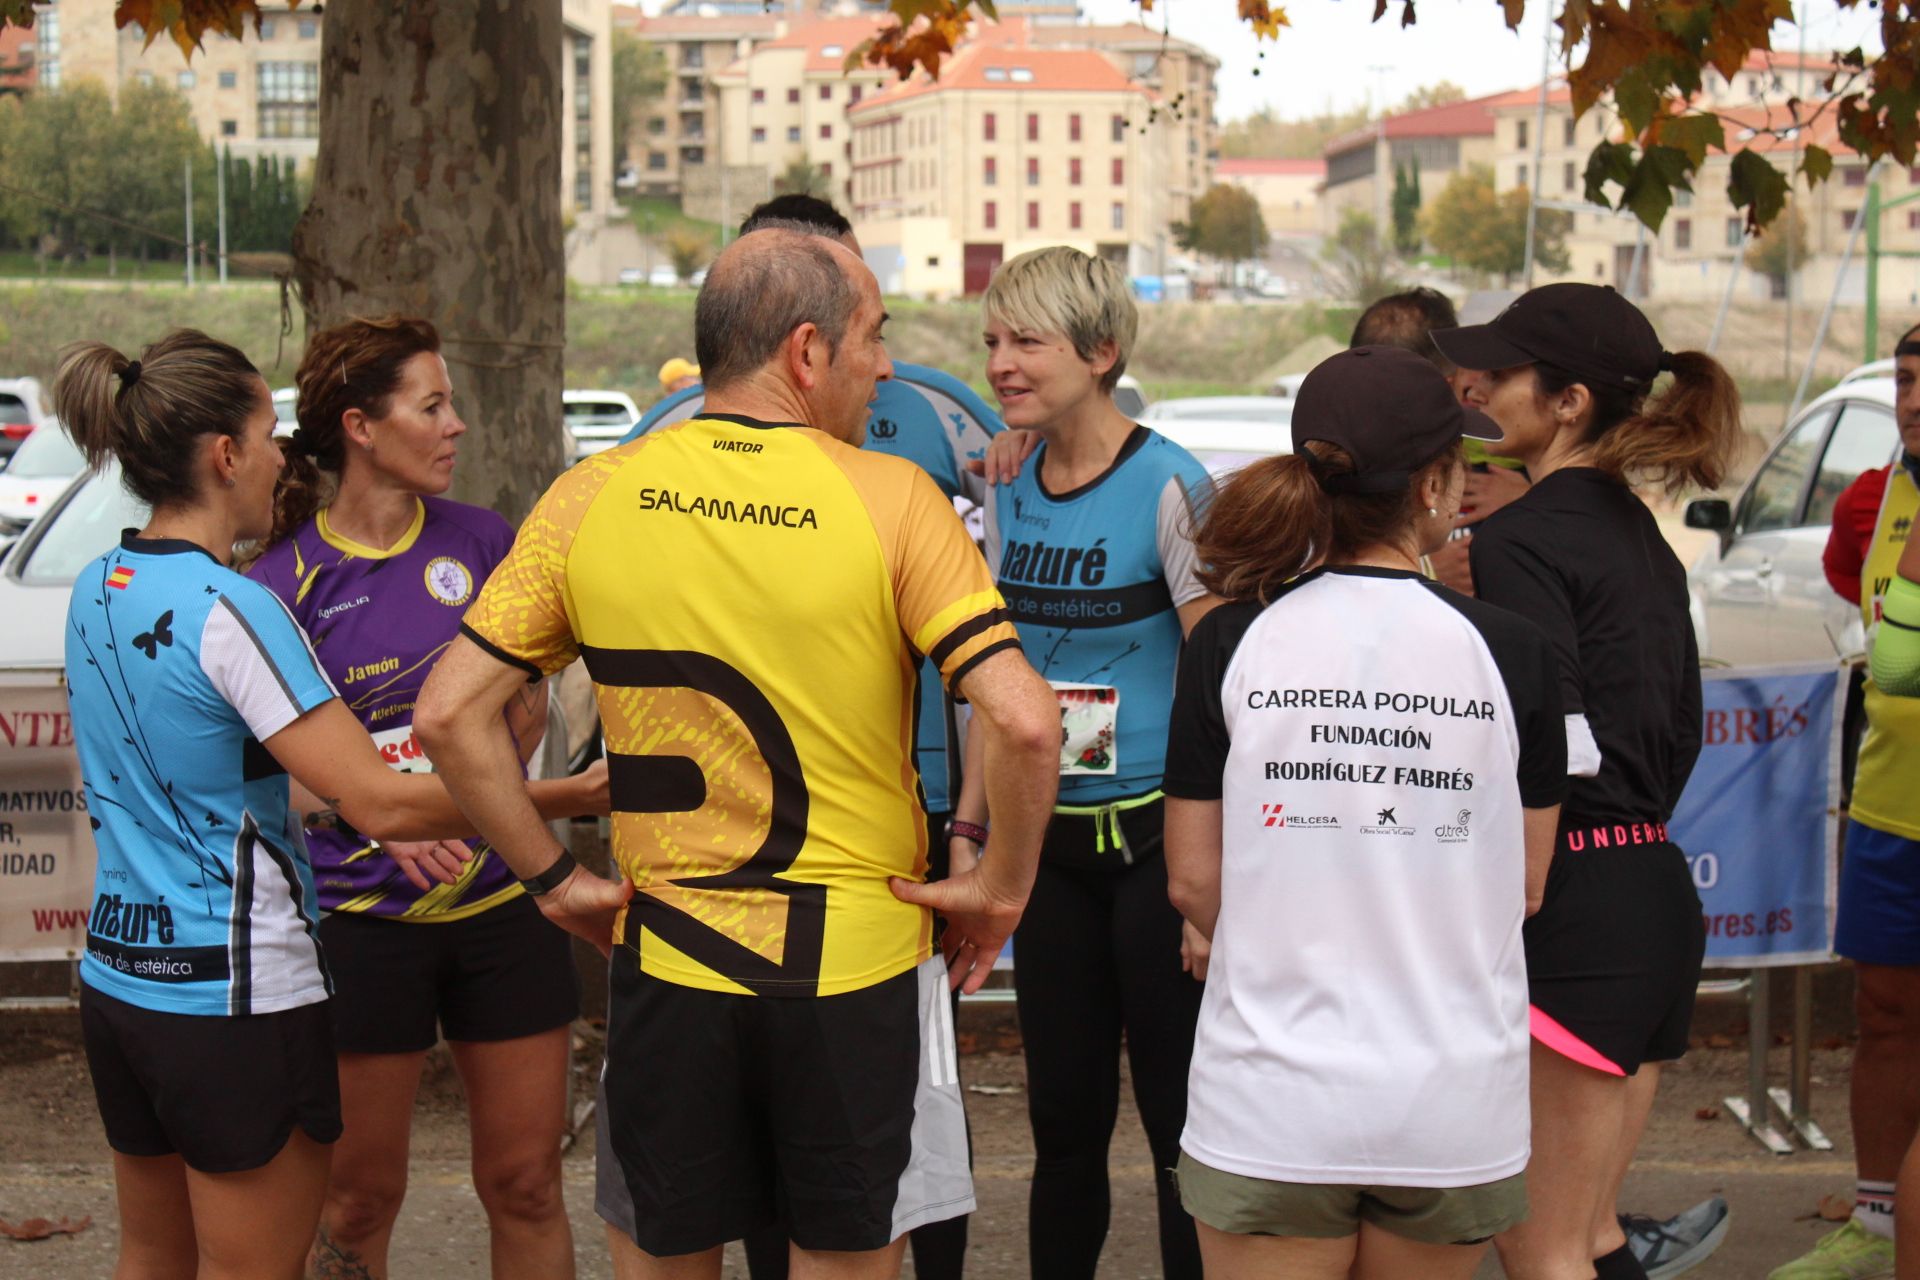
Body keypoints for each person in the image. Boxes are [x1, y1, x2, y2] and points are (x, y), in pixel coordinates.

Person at [412, 228, 1062, 1280]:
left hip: (670, 956)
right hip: (850, 967)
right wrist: (999, 888)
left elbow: (449, 715)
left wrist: (552, 877)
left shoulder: (592, 495)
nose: (885, 364)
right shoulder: (893, 498)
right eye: (873, 337)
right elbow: (1029, 723)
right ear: (807, 352)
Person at [56, 330, 607, 1280]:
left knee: (152, 1257)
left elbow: (256, 773)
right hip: (234, 990)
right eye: (269, 433)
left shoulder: (99, 585)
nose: (284, 454)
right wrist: (574, 799)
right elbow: (384, 809)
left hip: (122, 980)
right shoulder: (240, 604)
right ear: (225, 455)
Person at [620, 194, 1005, 1280]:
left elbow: (997, 683)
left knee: (907, 1165)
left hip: (889, 847)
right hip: (725, 870)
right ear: (795, 329)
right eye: (865, 328)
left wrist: (969, 830)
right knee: (760, 1191)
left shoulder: (933, 423)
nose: (878, 355)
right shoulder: (657, 445)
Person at [1162, 344, 1565, 1280]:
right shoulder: (1511, 650)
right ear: (1434, 484)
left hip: (1272, 1097)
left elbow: (1190, 878)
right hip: (1450, 1099)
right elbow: (1529, 883)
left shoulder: (1230, 639)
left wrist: (1287, 937)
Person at [1356, 287, 1731, 1280]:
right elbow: (1676, 727)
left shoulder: (1518, 542)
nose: (1476, 384)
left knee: (1541, 1243)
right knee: (1589, 1234)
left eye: (1502, 371)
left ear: (1567, 401)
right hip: (1647, 890)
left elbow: (1548, 743)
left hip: (1570, 902)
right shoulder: (1640, 533)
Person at [245, 316, 583, 1279]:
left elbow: (526, 705)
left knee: (526, 1183)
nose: (457, 425)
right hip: (359, 923)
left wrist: (464, 792)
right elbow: (282, 769)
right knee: (357, 1198)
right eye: (432, 405)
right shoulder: (281, 584)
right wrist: (380, 814)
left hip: (504, 902)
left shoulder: (484, 542)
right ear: (359, 425)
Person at [948, 244, 1216, 1280]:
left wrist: (1206, 884)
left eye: (1028, 342)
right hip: (1045, 853)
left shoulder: (1172, 484)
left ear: (1103, 351)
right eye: (993, 343)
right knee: (1063, 1128)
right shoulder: (1006, 486)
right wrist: (975, 831)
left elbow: (1219, 685)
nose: (1003, 364)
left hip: (1153, 849)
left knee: (1179, 1131)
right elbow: (995, 683)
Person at [1770, 324, 1920, 1280]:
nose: (1915, 398)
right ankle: (1874, 1223)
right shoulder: (1872, 500)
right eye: (1906, 379)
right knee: (1883, 1012)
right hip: (1889, 809)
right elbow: (1872, 629)